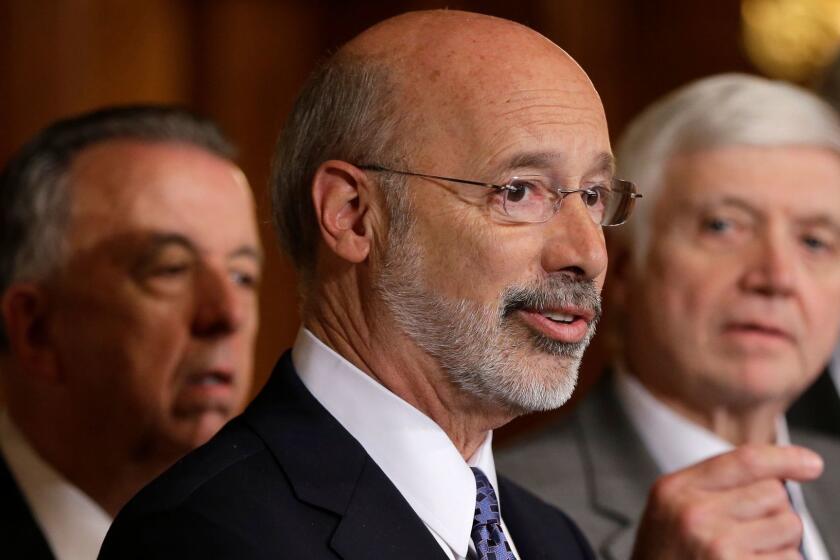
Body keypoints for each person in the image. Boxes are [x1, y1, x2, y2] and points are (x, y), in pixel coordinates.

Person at [99, 10, 643, 559]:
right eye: (519, 192)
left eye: (594, 196)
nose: (588, 253)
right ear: (354, 214)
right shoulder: (203, 538)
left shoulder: (553, 540)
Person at [498, 74, 840, 559]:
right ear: (623, 266)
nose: (777, 277)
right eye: (722, 226)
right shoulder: (503, 513)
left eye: (814, 242)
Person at [0, 105, 262, 559]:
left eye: (242, 276)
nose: (227, 314)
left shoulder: (277, 536)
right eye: (171, 269)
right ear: (36, 329)